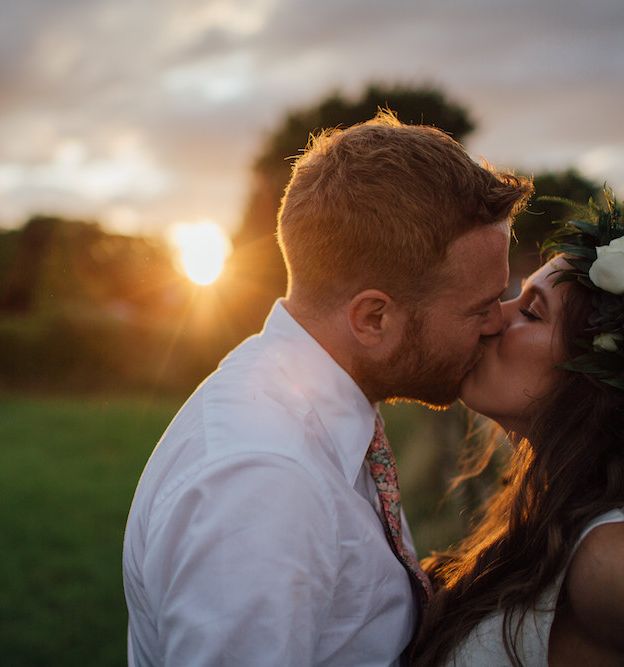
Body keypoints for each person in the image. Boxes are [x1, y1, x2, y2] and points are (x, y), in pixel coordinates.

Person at [122, 111, 532, 666]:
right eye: (479, 307)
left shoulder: (319, 417)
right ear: (373, 320)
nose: (500, 322)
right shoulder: (263, 482)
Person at [411, 193, 624, 666]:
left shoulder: (615, 555)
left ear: (598, 384)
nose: (496, 315)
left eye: (532, 311)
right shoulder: (544, 523)